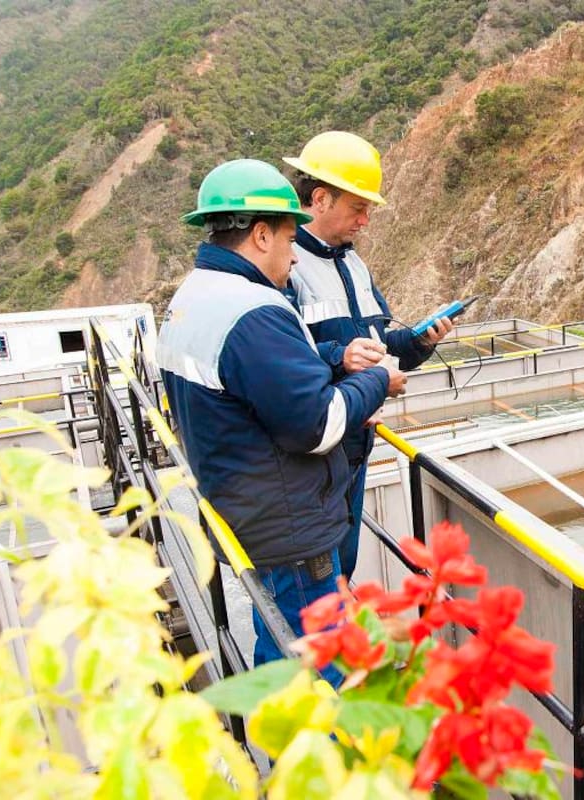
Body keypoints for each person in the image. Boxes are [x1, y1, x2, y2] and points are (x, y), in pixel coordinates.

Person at [156, 159, 406, 679]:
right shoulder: (253, 312)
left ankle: (279, 744)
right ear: (262, 234)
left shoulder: (191, 298)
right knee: (320, 669)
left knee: (278, 644)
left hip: (243, 511)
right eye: (291, 240)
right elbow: (316, 426)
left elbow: (263, 389)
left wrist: (338, 362)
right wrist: (377, 380)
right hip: (288, 526)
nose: (294, 256)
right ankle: (320, 757)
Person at [283, 131, 453, 577]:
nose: (366, 220)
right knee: (319, 583)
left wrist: (422, 341)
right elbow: (281, 360)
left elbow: (382, 347)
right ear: (320, 199)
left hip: (358, 444)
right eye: (358, 208)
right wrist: (339, 356)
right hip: (316, 454)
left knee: (345, 565)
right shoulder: (286, 264)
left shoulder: (354, 265)